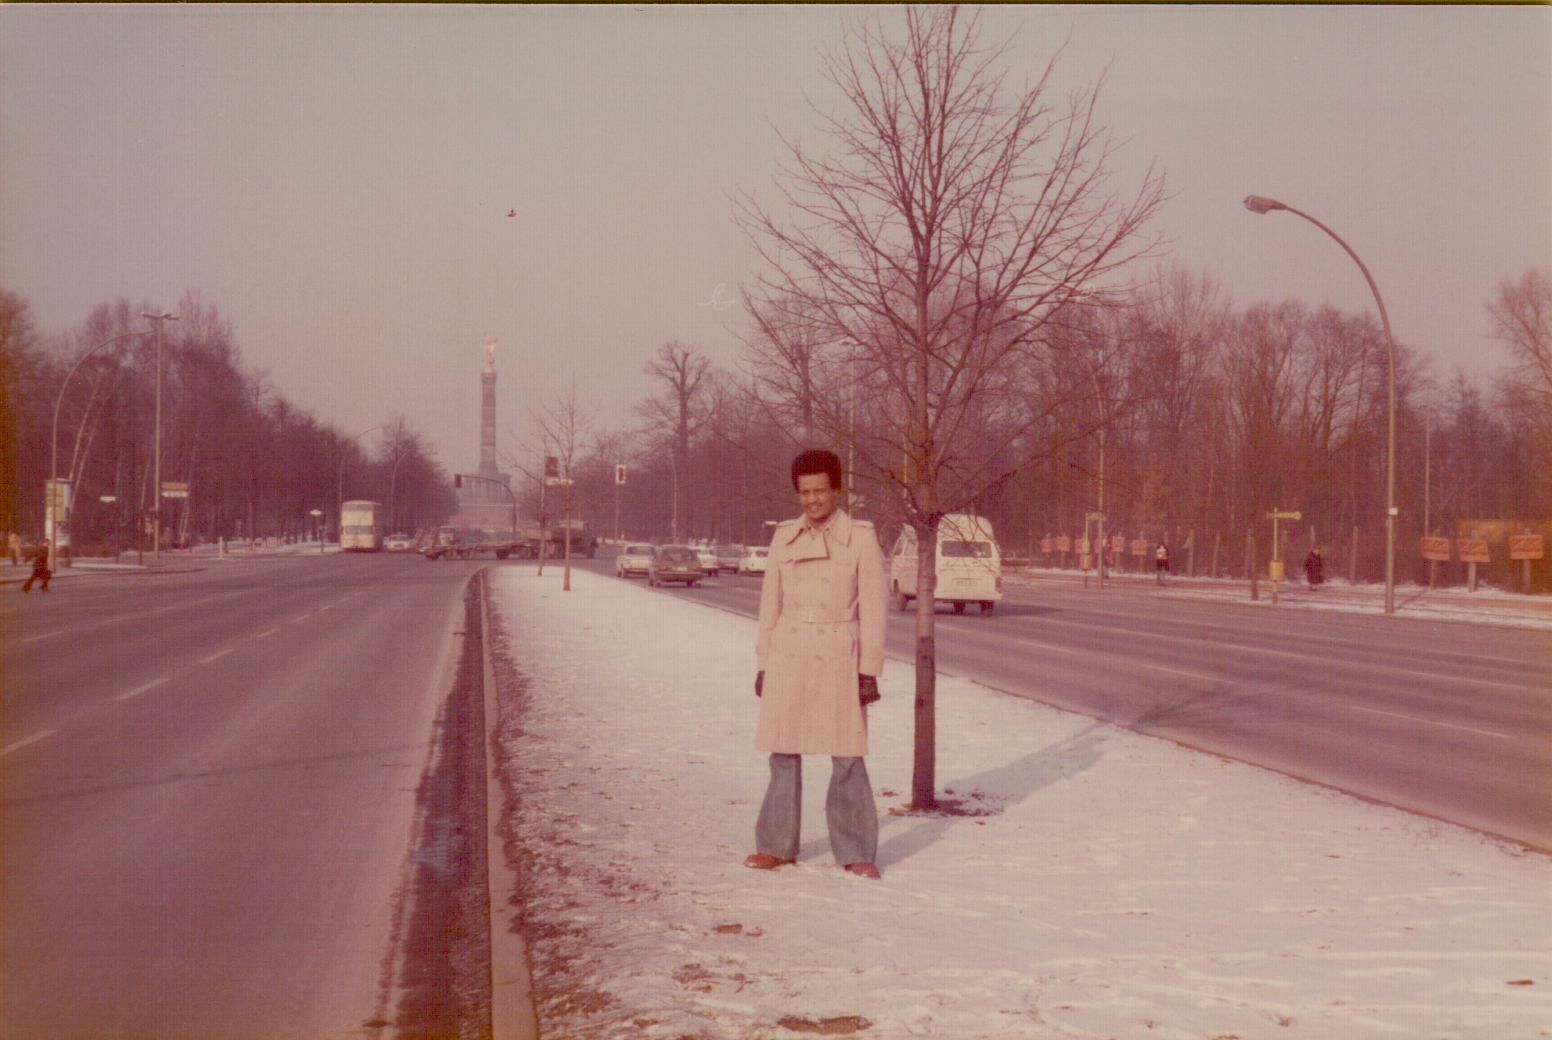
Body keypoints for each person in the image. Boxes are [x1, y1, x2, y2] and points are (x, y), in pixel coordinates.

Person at [746, 449, 889, 880]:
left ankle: (856, 850)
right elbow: (770, 605)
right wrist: (764, 662)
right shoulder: (783, 538)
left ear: (835, 489)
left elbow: (876, 610)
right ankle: (775, 845)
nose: (812, 500)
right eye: (804, 492)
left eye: (820, 491)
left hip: (838, 653)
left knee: (847, 752)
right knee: (783, 751)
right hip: (790, 651)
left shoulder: (861, 537)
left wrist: (869, 670)